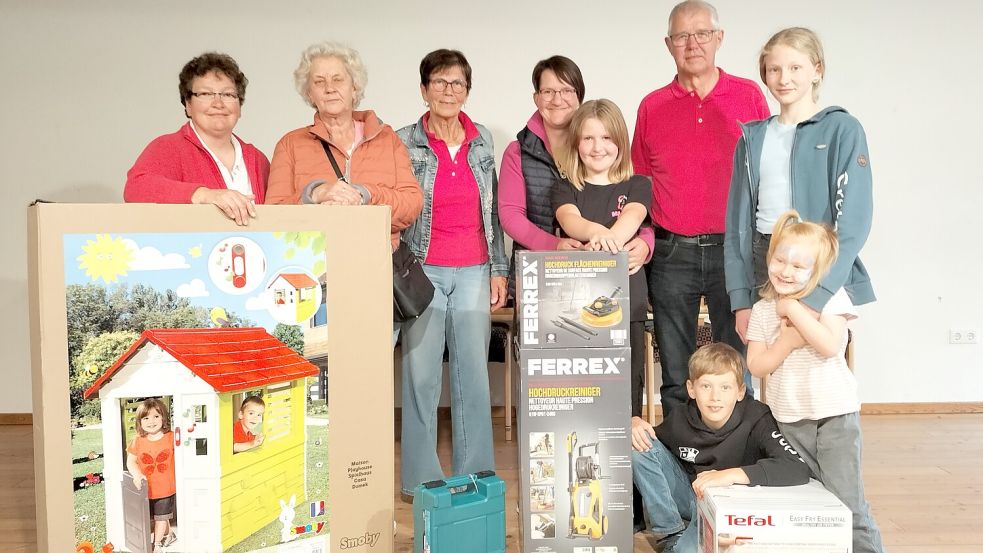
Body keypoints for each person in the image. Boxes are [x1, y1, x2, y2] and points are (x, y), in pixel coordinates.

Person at [631, 0, 769, 422]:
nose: (692, 44)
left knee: (734, 364)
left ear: (719, 39)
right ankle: (678, 461)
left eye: (702, 33)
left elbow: (765, 175)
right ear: (668, 44)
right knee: (675, 368)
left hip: (736, 251)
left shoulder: (748, 97)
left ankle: (734, 454)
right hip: (674, 253)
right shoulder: (652, 106)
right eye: (682, 36)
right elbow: (641, 181)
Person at [394, 49, 506, 495]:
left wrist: (499, 269)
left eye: (456, 83)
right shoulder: (403, 141)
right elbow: (397, 203)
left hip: (476, 268)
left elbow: (492, 211)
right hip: (422, 270)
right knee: (421, 377)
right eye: (438, 82)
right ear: (424, 89)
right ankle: (421, 481)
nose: (448, 91)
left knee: (472, 376)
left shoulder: (482, 141)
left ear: (467, 90)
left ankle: (474, 475)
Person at [746, 210, 885, 553]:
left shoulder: (831, 299)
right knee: (808, 504)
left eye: (798, 266)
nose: (786, 271)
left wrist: (792, 311)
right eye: (780, 260)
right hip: (789, 420)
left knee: (847, 504)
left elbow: (828, 345)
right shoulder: (763, 310)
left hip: (834, 417)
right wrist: (786, 343)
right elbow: (757, 365)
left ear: (818, 271)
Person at [725, 27, 874, 338]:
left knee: (817, 373)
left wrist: (819, 293)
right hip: (763, 262)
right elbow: (736, 226)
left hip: (818, 262)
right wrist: (741, 300)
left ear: (816, 70)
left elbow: (854, 223)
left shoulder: (842, 130)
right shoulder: (752, 139)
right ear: (764, 75)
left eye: (795, 68)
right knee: (763, 371)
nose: (784, 79)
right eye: (775, 69)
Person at [632, 343, 809, 553]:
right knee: (638, 443)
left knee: (687, 551)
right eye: (706, 386)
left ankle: (688, 541)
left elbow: (797, 467)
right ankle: (670, 533)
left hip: (730, 508)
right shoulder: (681, 417)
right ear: (691, 389)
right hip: (693, 498)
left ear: (740, 391)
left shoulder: (757, 417)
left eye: (725, 387)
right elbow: (654, 450)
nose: (715, 397)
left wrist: (730, 475)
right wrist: (634, 422)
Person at [499, 56, 653, 291]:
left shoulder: (601, 149)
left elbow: (635, 205)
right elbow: (511, 216)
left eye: (566, 90)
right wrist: (556, 245)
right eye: (548, 91)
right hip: (539, 272)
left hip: (609, 273)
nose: (557, 99)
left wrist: (645, 242)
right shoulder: (518, 151)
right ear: (536, 97)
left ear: (579, 96)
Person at [265, 41, 423, 253]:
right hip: (317, 269)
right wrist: (314, 195)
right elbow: (273, 217)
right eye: (319, 82)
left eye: (338, 80)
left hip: (376, 263)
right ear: (309, 93)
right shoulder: (290, 144)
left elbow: (411, 205)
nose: (329, 88)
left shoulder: (387, 139)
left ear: (354, 87)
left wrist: (365, 195)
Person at [552, 99, 651, 423]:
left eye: (607, 138)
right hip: (577, 312)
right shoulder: (565, 187)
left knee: (626, 393)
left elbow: (634, 216)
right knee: (584, 395)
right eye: (589, 138)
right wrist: (599, 234)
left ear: (620, 141)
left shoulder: (637, 184)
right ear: (576, 143)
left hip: (628, 305)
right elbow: (570, 220)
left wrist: (609, 238)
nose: (598, 147)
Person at [124, 52, 270, 226]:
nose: (218, 103)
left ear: (239, 106)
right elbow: (136, 188)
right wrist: (203, 194)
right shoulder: (168, 147)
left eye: (228, 95)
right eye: (206, 94)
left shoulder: (257, 159)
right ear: (188, 104)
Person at [126, 398, 177, 551]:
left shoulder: (172, 437)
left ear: (163, 418)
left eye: (156, 416)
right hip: (146, 488)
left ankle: (156, 545)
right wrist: (136, 475)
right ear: (140, 422)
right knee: (156, 518)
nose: (151, 421)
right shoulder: (138, 441)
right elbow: (131, 462)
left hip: (166, 488)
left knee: (161, 517)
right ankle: (170, 535)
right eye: (146, 418)